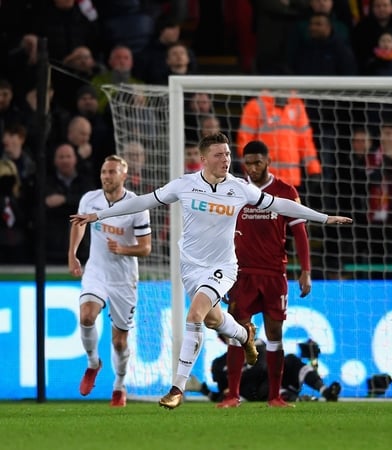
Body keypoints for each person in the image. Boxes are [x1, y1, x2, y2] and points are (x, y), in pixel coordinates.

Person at [69, 132, 352, 410]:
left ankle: (176, 388)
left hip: (223, 267)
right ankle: (244, 336)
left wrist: (324, 218)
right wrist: (99, 215)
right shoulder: (185, 184)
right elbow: (143, 200)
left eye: (228, 154)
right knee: (214, 320)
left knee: (195, 315)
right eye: (219, 155)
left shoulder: (240, 188)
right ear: (203, 159)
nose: (226, 159)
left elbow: (281, 205)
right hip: (191, 267)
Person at [215, 140, 313, 409]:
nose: (253, 167)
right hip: (242, 275)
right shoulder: (233, 190)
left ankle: (275, 396)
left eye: (258, 162)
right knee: (238, 333)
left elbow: (300, 234)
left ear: (268, 161)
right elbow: (219, 231)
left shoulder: (284, 191)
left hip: (273, 274)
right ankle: (232, 395)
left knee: (275, 334)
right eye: (248, 162)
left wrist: (305, 271)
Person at [68, 155, 152, 407]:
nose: (106, 176)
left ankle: (119, 384)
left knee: (119, 341)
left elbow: (146, 248)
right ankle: (93, 363)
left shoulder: (137, 205)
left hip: (124, 279)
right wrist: (72, 254)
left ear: (123, 176)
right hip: (97, 271)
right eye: (104, 171)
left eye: (112, 172)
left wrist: (123, 249)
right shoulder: (90, 199)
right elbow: (79, 225)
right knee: (86, 316)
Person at [188, 339, 341, 403]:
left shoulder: (256, 344)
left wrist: (238, 378)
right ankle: (295, 398)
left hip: (275, 376)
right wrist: (203, 390)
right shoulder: (218, 364)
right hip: (254, 391)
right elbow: (224, 395)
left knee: (291, 360)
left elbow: (262, 367)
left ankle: (325, 390)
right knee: (256, 389)